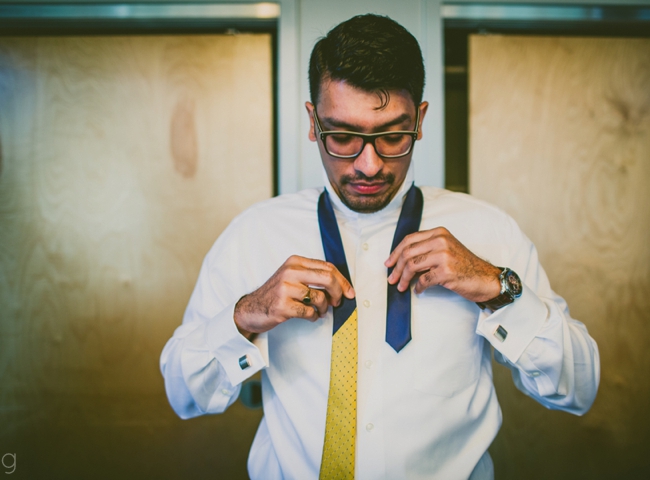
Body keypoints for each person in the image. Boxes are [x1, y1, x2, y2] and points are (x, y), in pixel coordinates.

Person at [160, 14, 600, 480]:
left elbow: (578, 387)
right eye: (343, 137)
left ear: (420, 121)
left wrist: (497, 287)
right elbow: (183, 396)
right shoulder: (254, 236)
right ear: (313, 123)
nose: (368, 165)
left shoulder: (489, 231)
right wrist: (247, 314)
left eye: (392, 136)